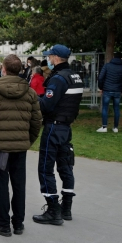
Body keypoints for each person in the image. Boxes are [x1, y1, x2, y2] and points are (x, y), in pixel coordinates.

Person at [0, 55, 42, 237]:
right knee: (19, 185)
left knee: (0, 186)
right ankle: (18, 223)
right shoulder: (29, 93)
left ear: (3, 69)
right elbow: (37, 122)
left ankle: (4, 223)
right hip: (18, 147)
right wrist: (27, 141)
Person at [33, 44, 83, 226]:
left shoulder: (58, 79)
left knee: (46, 168)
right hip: (66, 127)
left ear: (55, 58)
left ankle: (53, 210)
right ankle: (67, 208)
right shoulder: (75, 77)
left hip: (53, 127)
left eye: (49, 56)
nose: (47, 59)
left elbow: (46, 105)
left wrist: (34, 98)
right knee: (65, 166)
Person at [97, 52, 122, 133]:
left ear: (113, 57)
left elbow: (100, 78)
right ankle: (115, 127)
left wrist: (101, 87)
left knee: (105, 108)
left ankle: (104, 127)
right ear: (121, 58)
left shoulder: (107, 66)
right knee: (117, 109)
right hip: (118, 90)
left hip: (107, 89)